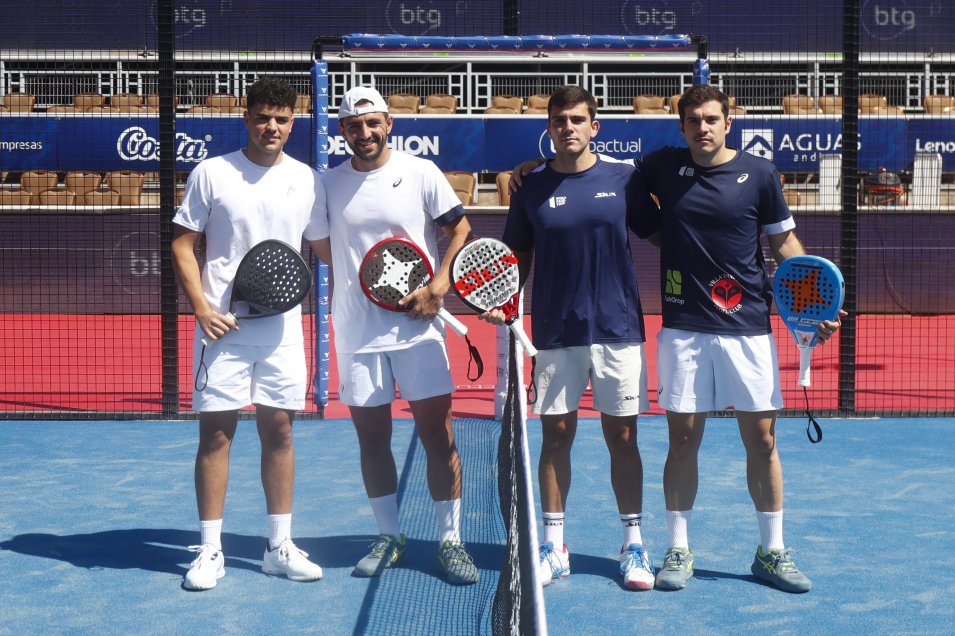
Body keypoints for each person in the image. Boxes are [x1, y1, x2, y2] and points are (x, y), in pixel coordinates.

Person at [636, 85, 845, 593]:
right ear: (681, 126)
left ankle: (771, 552)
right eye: (693, 120)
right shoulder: (660, 167)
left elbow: (784, 242)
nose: (702, 128)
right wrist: (534, 163)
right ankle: (679, 548)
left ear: (730, 121)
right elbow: (596, 169)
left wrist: (812, 301)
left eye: (711, 119)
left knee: (764, 440)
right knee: (682, 439)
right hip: (683, 329)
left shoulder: (760, 174)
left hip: (747, 329)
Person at [482, 85, 659, 590]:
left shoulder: (625, 180)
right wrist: (503, 301)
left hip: (619, 330)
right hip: (555, 334)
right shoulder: (530, 187)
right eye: (559, 120)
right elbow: (513, 259)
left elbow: (666, 233)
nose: (568, 127)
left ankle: (634, 545)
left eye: (577, 119)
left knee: (623, 437)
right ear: (550, 128)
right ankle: (554, 547)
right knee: (556, 435)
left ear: (594, 127)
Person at [309, 86, 479, 585]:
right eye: (354, 126)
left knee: (437, 435)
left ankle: (451, 540)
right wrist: (375, 283)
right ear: (342, 131)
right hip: (357, 334)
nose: (364, 133)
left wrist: (438, 284)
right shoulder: (327, 185)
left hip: (419, 331)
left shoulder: (421, 173)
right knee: (372, 439)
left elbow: (461, 229)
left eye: (372, 123)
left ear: (389, 123)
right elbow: (326, 251)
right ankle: (390, 535)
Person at [171, 77, 326, 591]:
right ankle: (210, 550)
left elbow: (326, 247)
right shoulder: (213, 173)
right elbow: (182, 244)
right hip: (224, 328)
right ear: (247, 118)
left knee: (279, 432)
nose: (272, 127)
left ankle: (278, 547)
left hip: (282, 330)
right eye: (263, 117)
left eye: (282, 118)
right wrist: (201, 309)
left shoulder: (306, 179)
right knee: (216, 435)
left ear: (294, 121)